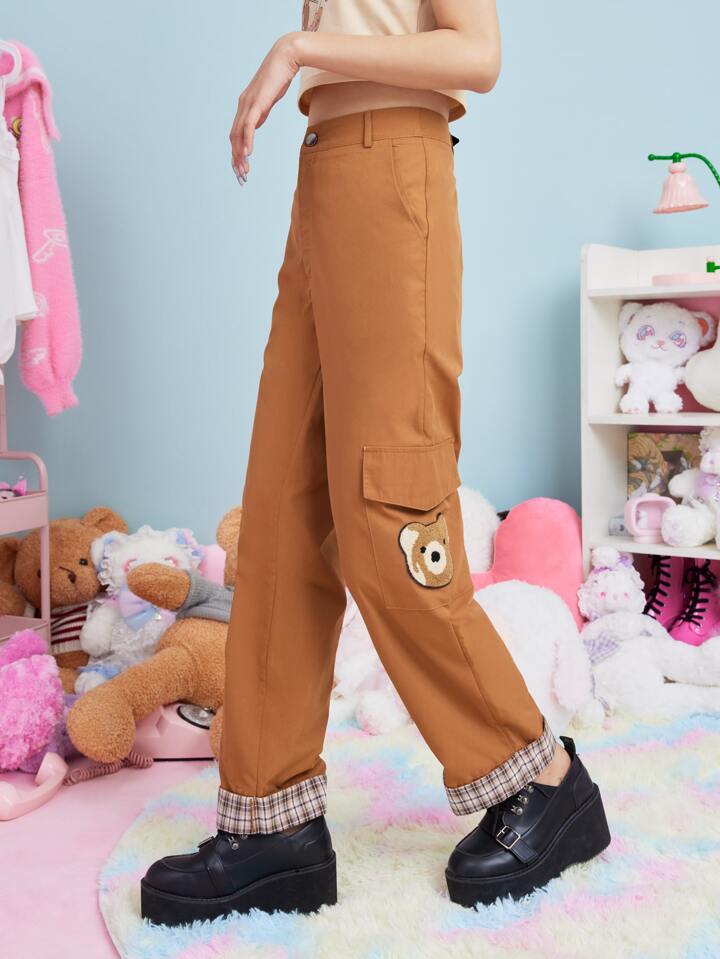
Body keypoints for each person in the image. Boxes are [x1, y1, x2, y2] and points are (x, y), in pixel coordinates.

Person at [141, 0, 610, 926]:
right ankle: (273, 819)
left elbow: (476, 53)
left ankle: (541, 776)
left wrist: (296, 46)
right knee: (281, 518)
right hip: (326, 169)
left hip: (393, 164)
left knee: (389, 511)